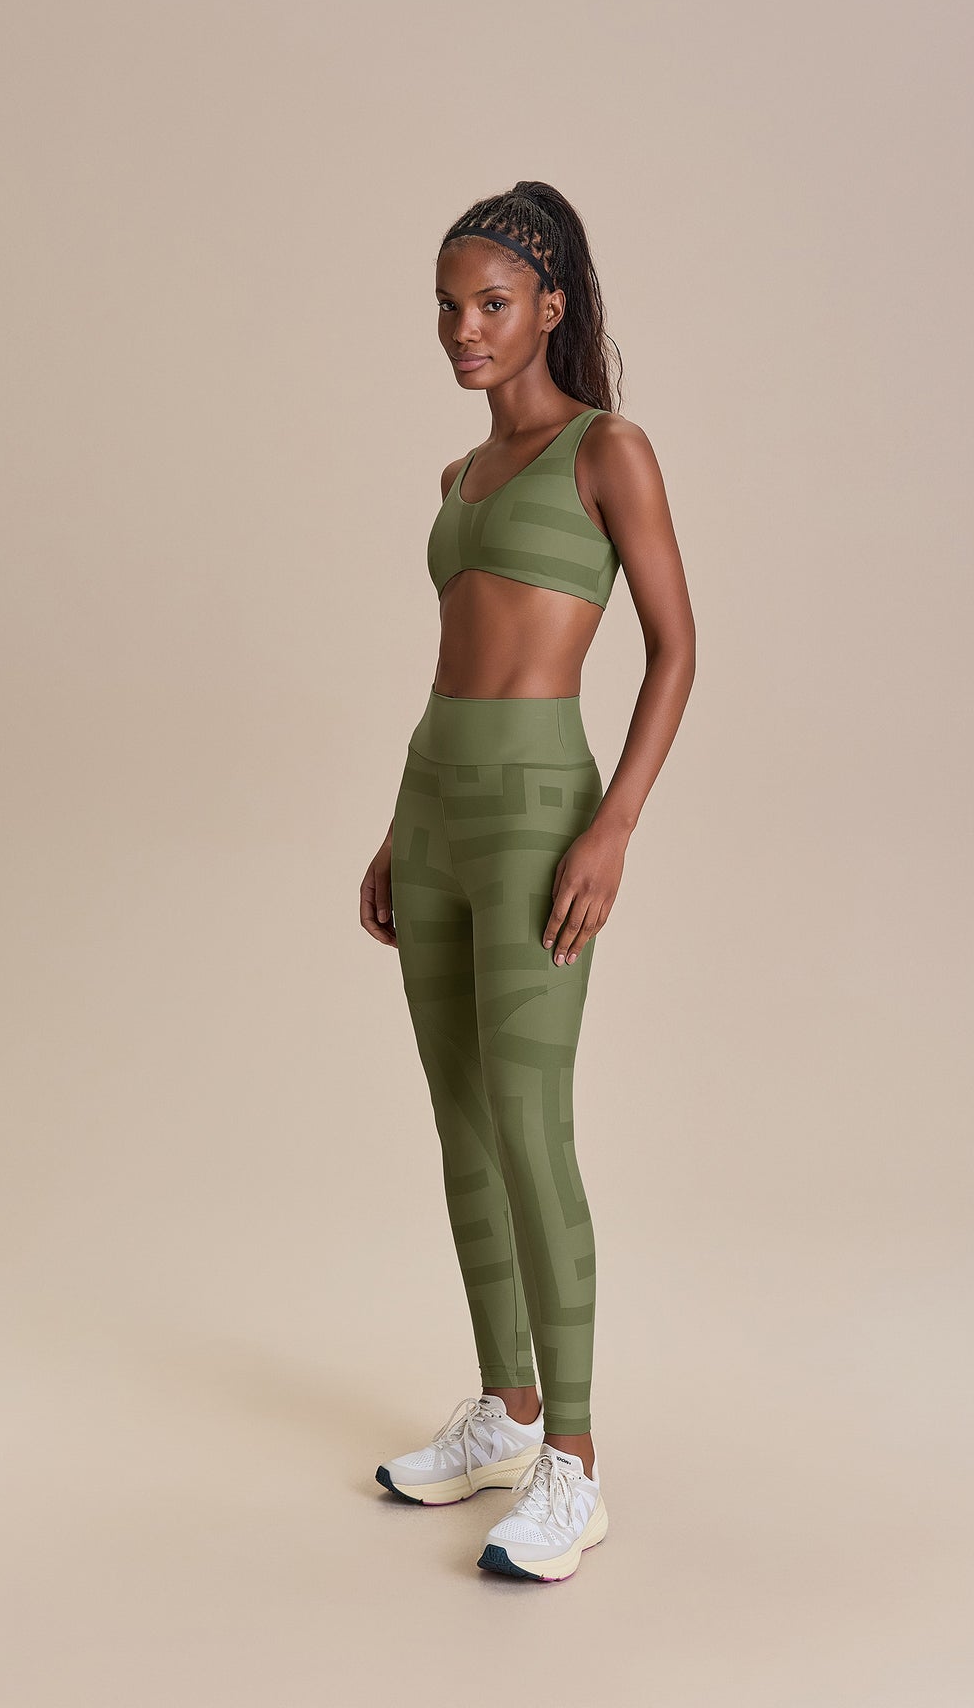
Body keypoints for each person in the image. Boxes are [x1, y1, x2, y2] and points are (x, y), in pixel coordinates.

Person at [360, 180, 696, 1582]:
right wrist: (399, 827)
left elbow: (676, 648)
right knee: (459, 1122)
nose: (464, 329)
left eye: (491, 303)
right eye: (448, 306)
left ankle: (575, 1463)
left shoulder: (608, 450)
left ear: (550, 307)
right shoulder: (459, 477)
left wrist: (611, 829)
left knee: (530, 1126)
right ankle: (504, 1413)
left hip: (541, 816)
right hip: (436, 802)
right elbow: (458, 660)